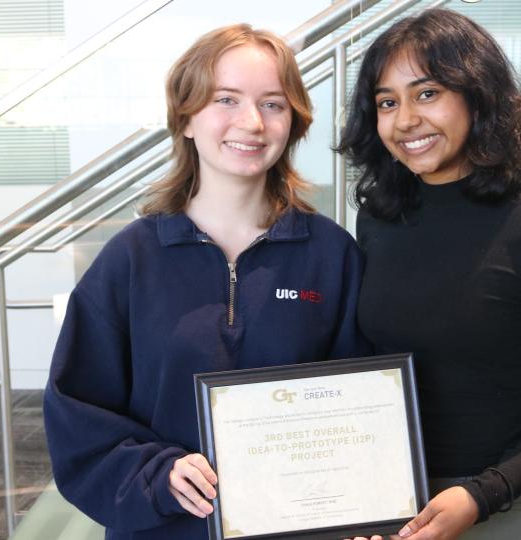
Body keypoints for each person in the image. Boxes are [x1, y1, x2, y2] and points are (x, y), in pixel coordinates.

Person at [43, 24, 370, 540]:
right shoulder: (131, 260)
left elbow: (363, 408)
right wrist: (157, 474)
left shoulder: (332, 256)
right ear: (186, 117)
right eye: (226, 99)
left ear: (293, 121)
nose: (251, 123)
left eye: (272, 103)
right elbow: (76, 413)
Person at [336, 8, 521, 540]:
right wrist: (357, 490)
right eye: (387, 102)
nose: (405, 119)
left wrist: (480, 495)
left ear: (477, 95)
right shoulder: (378, 217)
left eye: (427, 93)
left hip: (491, 506)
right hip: (384, 502)